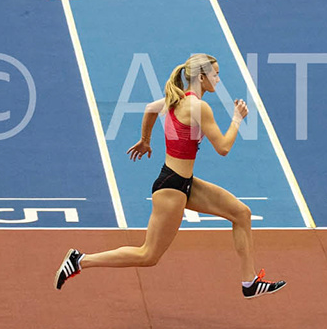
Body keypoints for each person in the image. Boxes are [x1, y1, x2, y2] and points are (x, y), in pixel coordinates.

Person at [55, 53, 284, 298]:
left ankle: (249, 282)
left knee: (241, 213)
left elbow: (150, 109)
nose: (218, 80)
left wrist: (145, 140)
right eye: (215, 75)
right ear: (202, 77)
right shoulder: (199, 107)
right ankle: (81, 260)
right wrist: (237, 119)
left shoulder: (176, 99)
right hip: (172, 186)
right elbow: (223, 148)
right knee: (148, 255)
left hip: (185, 183)